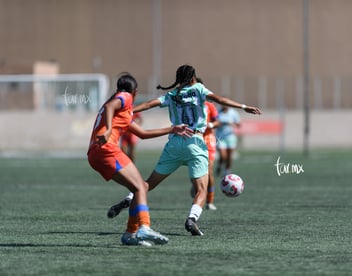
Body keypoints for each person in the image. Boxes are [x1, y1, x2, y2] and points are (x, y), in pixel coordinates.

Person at [109, 65, 261, 236]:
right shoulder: (198, 88)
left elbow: (149, 104)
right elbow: (218, 99)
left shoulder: (171, 95)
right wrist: (243, 106)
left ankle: (129, 198)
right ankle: (192, 219)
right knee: (201, 190)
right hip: (195, 143)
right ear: (192, 78)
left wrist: (125, 110)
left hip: (174, 143)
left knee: (147, 184)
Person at [87, 73, 192, 246]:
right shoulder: (125, 97)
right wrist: (107, 131)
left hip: (97, 153)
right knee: (139, 187)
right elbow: (110, 106)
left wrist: (172, 129)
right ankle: (144, 227)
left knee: (140, 187)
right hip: (106, 149)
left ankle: (130, 233)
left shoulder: (123, 113)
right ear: (135, 92)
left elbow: (142, 134)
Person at [215, 105, 241, 177]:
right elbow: (214, 123)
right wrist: (223, 123)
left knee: (229, 156)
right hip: (220, 137)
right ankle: (220, 165)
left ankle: (227, 171)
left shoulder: (233, 113)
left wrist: (234, 123)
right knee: (223, 156)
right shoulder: (217, 112)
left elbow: (239, 124)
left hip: (230, 137)